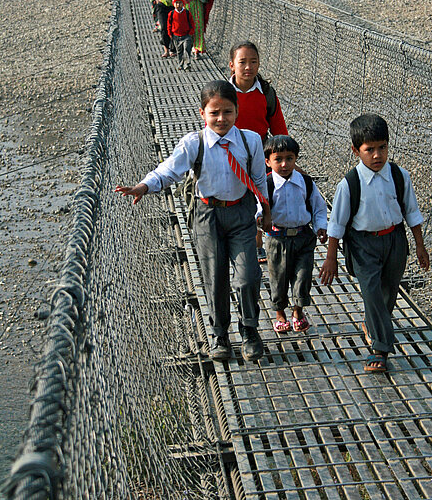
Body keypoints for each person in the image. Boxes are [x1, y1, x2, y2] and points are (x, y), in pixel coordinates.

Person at [115, 80, 272, 363]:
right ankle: (220, 334)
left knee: (248, 275)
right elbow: (168, 171)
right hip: (207, 215)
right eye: (214, 113)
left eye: (227, 112)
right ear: (202, 113)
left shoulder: (250, 141)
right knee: (215, 277)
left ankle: (249, 330)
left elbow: (259, 180)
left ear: (237, 111)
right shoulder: (194, 143)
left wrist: (264, 212)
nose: (221, 119)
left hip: (241, 213)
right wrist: (143, 186)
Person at [320, 113, 430, 373]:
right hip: (362, 244)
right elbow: (336, 225)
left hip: (394, 240)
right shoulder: (349, 185)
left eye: (383, 148)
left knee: (388, 292)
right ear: (356, 150)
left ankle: (372, 326)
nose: (377, 155)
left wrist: (420, 245)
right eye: (370, 150)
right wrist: (331, 257)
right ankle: (380, 349)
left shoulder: (399, 176)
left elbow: (411, 212)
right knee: (371, 292)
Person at [229, 41, 289, 263]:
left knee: (261, 196)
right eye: (242, 62)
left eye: (253, 62)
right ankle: (243, 241)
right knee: (237, 197)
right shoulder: (225, 92)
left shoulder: (266, 92)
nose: (248, 67)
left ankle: (258, 243)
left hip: (261, 152)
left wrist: (285, 156)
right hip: (232, 152)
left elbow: (279, 128)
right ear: (231, 66)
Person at [261, 135, 327, 334]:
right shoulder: (267, 184)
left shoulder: (305, 182)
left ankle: (298, 312)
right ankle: (280, 314)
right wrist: (259, 218)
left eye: (289, 158)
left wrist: (321, 226)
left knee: (303, 275)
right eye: (278, 159)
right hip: (276, 238)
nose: (284, 164)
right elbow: (259, 207)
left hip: (303, 237)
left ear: (296, 158)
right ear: (267, 161)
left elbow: (318, 207)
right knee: (278, 278)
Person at [168, 0, 195, 70]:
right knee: (179, 51)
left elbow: (192, 22)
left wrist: (191, 32)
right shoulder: (172, 14)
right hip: (176, 36)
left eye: (180, 3)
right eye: (176, 3)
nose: (178, 5)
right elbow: (169, 24)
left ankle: (187, 64)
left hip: (186, 35)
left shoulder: (187, 13)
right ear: (174, 4)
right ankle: (180, 64)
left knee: (187, 49)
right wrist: (170, 33)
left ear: (183, 3)